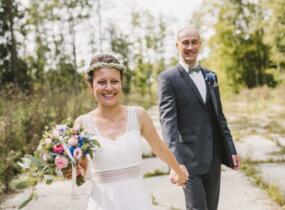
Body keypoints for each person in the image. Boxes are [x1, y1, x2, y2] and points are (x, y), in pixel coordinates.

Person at [73, 54, 189, 210]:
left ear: (122, 83)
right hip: (103, 202)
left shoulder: (138, 115)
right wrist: (70, 170)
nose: (109, 87)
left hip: (137, 200)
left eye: (114, 81)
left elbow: (159, 147)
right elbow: (80, 168)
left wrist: (178, 171)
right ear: (91, 86)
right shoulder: (82, 124)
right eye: (101, 82)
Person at [157, 26, 240, 210]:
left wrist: (231, 149)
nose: (190, 47)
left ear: (200, 45)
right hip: (187, 161)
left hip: (213, 156)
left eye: (194, 42)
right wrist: (176, 163)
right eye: (185, 42)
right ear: (177, 45)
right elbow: (168, 124)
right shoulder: (168, 78)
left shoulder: (211, 76)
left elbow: (219, 116)